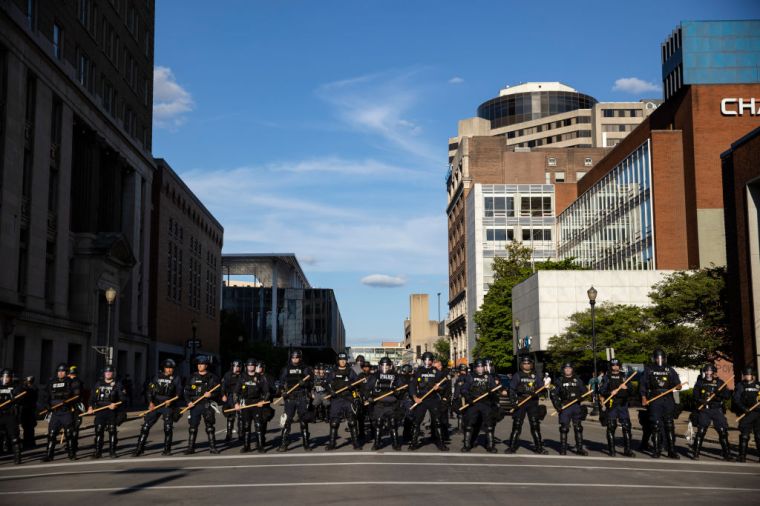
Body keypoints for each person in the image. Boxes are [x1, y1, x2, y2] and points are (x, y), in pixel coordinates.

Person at [133, 358, 183, 456]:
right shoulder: (156, 377)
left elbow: (179, 393)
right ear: (164, 368)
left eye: (171, 368)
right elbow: (149, 391)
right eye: (167, 368)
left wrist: (172, 400)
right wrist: (150, 402)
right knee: (145, 427)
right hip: (156, 404)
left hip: (168, 405)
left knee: (168, 427)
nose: (169, 370)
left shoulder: (176, 378)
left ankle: (167, 449)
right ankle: (139, 448)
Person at [640, 349, 682, 459]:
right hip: (655, 398)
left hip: (668, 399)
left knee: (669, 425)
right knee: (656, 425)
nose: (660, 360)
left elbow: (677, 385)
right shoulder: (649, 369)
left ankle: (671, 450)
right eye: (658, 358)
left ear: (665, 358)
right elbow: (643, 385)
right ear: (653, 358)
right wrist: (643, 397)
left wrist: (678, 386)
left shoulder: (670, 370)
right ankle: (657, 450)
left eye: (662, 358)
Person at [505, 356, 547, 454]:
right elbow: (511, 389)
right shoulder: (517, 375)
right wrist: (513, 402)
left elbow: (542, 389)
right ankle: (512, 447)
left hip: (533, 402)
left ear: (531, 365)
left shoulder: (535, 376)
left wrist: (538, 391)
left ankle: (539, 447)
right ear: (521, 365)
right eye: (524, 363)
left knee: (535, 425)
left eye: (528, 363)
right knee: (517, 425)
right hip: (521, 402)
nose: (526, 365)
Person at [690, 364, 732, 461]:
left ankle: (727, 454)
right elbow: (695, 396)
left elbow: (727, 395)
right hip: (705, 409)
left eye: (710, 371)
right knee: (701, 431)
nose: (708, 373)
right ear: (704, 372)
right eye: (706, 371)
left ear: (713, 372)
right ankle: (695, 453)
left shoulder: (719, 382)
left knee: (722, 431)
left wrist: (719, 394)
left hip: (717, 409)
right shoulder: (700, 383)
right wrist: (701, 401)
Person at [408, 351, 448, 451]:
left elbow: (445, 384)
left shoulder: (436, 371)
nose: (427, 362)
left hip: (433, 399)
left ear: (432, 361)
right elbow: (412, 385)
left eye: (429, 360)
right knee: (417, 422)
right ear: (422, 360)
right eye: (425, 360)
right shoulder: (418, 371)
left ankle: (441, 443)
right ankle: (413, 443)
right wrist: (414, 397)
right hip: (421, 399)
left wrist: (438, 387)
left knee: (437, 421)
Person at [42, 363, 81, 461]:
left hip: (66, 411)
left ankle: (71, 454)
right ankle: (49, 455)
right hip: (55, 412)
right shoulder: (51, 382)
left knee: (68, 433)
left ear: (66, 372)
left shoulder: (71, 382)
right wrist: (47, 406)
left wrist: (68, 401)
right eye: (59, 371)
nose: (60, 373)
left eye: (63, 371)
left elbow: (77, 396)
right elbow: (46, 396)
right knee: (51, 433)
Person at [183, 355, 221, 454]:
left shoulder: (213, 377)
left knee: (210, 427)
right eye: (198, 364)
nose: (200, 366)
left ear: (206, 365)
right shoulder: (192, 377)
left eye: (202, 364)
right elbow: (186, 391)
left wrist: (211, 394)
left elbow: (218, 391)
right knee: (192, 427)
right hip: (195, 405)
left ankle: (213, 447)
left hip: (207, 404)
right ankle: (191, 448)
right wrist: (188, 402)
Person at [460, 359, 500, 453]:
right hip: (474, 403)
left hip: (486, 403)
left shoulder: (489, 377)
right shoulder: (470, 377)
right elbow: (464, 389)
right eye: (478, 367)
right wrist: (468, 398)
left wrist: (492, 392)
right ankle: (467, 445)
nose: (480, 368)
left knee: (489, 425)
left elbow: (495, 389)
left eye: (482, 366)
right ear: (475, 368)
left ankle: (490, 445)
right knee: (469, 425)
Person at [277, 349, 313, 452]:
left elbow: (311, 383)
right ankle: (284, 444)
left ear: (300, 358)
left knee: (303, 421)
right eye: (293, 357)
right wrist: (283, 391)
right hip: (290, 398)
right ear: (291, 358)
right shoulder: (286, 369)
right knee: (287, 421)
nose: (295, 359)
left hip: (301, 397)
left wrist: (305, 384)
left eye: (297, 357)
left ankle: (306, 444)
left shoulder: (305, 369)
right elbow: (281, 383)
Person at [87, 365, 127, 459]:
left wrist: (115, 404)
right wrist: (90, 407)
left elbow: (124, 399)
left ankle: (112, 452)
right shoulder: (98, 384)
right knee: (99, 430)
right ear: (104, 373)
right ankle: (98, 452)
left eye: (110, 372)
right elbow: (92, 398)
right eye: (106, 372)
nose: (108, 373)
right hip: (100, 411)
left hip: (112, 411)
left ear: (113, 373)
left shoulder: (118, 384)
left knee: (112, 430)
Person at [364, 357, 403, 450]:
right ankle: (377, 444)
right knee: (378, 424)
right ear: (380, 365)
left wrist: (398, 392)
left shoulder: (395, 375)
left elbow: (402, 387)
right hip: (379, 404)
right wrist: (368, 397)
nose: (385, 367)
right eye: (383, 365)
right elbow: (367, 388)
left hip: (392, 403)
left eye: (387, 365)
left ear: (390, 366)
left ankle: (395, 444)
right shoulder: (375, 375)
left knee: (393, 424)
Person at [598, 358, 635, 457]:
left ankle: (627, 450)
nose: (615, 367)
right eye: (613, 365)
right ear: (611, 366)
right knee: (611, 426)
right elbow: (601, 390)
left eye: (617, 365)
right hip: (612, 404)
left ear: (619, 366)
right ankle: (612, 450)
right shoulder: (607, 377)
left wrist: (627, 388)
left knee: (626, 426)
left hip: (623, 404)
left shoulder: (624, 376)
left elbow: (632, 391)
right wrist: (610, 392)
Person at [550, 362, 588, 456]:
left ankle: (579, 448)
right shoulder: (560, 380)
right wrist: (557, 405)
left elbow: (585, 392)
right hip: (565, 406)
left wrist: (581, 397)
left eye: (569, 368)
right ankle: (563, 449)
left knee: (578, 427)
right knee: (564, 428)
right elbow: (553, 394)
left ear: (572, 369)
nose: (568, 370)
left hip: (576, 406)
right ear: (563, 370)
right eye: (566, 368)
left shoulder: (578, 380)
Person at [326, 352, 361, 450]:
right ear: (338, 360)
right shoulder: (333, 371)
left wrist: (352, 385)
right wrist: (331, 391)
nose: (342, 361)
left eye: (344, 359)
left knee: (352, 422)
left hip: (348, 398)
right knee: (334, 422)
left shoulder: (350, 371)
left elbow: (357, 383)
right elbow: (327, 383)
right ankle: (332, 443)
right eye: (341, 360)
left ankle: (355, 443)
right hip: (336, 399)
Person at [234, 358, 271, 453]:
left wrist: (263, 401)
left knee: (258, 425)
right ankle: (247, 446)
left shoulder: (261, 377)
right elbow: (236, 392)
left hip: (257, 404)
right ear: (246, 367)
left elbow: (267, 392)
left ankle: (260, 446)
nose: (251, 367)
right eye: (249, 365)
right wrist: (236, 403)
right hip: (246, 404)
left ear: (255, 367)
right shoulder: (242, 377)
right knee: (246, 426)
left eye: (252, 365)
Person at [733, 366, 760, 463]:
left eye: (748, 375)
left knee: (759, 436)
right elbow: (736, 399)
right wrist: (743, 408)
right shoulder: (740, 385)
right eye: (745, 375)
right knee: (744, 435)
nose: (747, 376)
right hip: (746, 413)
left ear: (752, 375)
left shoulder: (758, 385)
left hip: (758, 414)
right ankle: (742, 456)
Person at [0, 369, 22, 464]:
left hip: (10, 415)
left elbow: (21, 398)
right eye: (3, 377)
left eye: (7, 377)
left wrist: (15, 398)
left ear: (11, 378)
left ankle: (17, 457)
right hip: (0, 415)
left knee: (14, 437)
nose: (5, 379)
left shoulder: (15, 387)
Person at [221, 359, 243, 443]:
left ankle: (241, 435)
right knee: (230, 416)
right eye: (235, 366)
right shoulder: (228, 375)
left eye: (238, 366)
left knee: (241, 416)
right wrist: (223, 395)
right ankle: (229, 435)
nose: (236, 368)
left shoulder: (243, 375)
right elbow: (223, 385)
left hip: (240, 396)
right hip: (230, 396)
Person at [66, 365, 85, 455]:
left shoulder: (76, 382)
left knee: (73, 427)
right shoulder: (74, 381)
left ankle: (72, 445)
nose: (70, 376)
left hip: (75, 407)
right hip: (69, 407)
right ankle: (71, 445)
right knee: (71, 427)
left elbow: (76, 396)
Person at [19, 376, 38, 450]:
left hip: (30, 409)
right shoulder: (27, 388)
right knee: (26, 427)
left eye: (27, 381)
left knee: (30, 427)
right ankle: (27, 442)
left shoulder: (33, 388)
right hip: (25, 409)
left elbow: (31, 396)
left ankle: (30, 443)